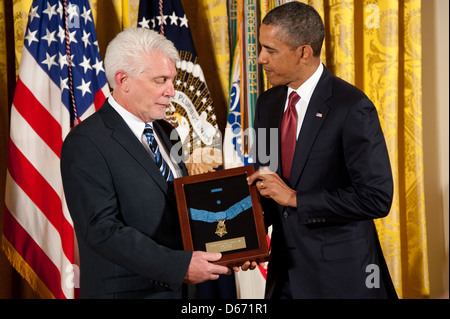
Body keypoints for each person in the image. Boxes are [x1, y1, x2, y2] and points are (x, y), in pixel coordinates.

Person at [60, 27, 231, 299]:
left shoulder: (166, 131)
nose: (172, 92)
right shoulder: (85, 143)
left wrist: (232, 247)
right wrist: (178, 266)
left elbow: (181, 209)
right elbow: (102, 230)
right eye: (160, 80)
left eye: (172, 80)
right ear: (123, 80)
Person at [247, 2, 398, 299]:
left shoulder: (352, 106)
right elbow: (266, 179)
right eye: (260, 47)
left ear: (304, 52)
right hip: (283, 274)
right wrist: (248, 239)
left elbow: (376, 198)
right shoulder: (267, 104)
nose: (261, 58)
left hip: (340, 277)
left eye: (271, 50)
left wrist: (295, 199)